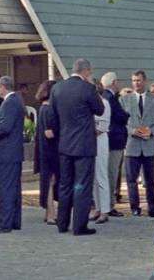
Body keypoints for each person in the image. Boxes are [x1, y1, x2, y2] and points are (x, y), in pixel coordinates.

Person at [51, 59, 105, 236]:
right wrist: (91, 88)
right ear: (87, 72)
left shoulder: (57, 88)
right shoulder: (87, 88)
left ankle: (62, 222)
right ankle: (79, 225)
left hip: (65, 143)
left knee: (65, 184)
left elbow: (52, 116)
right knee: (82, 185)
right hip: (84, 145)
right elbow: (100, 110)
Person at [121, 70, 154, 218]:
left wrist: (151, 131)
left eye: (138, 80)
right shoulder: (125, 100)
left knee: (150, 180)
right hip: (132, 145)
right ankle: (135, 207)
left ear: (144, 81)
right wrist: (131, 131)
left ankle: (152, 208)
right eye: (133, 81)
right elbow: (119, 122)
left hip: (148, 145)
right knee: (131, 179)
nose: (136, 83)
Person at [0, 76, 24, 234]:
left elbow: (5, 127)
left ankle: (4, 222)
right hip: (12, 152)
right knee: (13, 188)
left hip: (6, 152)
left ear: (3, 87)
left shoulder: (10, 103)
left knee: (5, 187)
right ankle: (13, 219)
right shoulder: (15, 101)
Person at [101, 72, 128, 214]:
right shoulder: (110, 98)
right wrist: (127, 114)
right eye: (117, 81)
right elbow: (120, 116)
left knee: (109, 173)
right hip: (114, 140)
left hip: (111, 140)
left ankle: (107, 203)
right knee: (112, 173)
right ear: (113, 82)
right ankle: (109, 204)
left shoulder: (107, 97)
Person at [34, 80, 59, 224]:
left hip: (43, 148)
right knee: (51, 181)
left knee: (47, 181)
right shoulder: (49, 109)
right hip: (51, 149)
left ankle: (48, 211)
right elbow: (50, 132)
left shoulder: (42, 108)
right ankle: (51, 213)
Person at [90, 78, 112, 225]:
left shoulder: (104, 103)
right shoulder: (90, 105)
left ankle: (105, 209)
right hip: (90, 141)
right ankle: (97, 207)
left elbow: (102, 126)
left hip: (100, 139)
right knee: (93, 178)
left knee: (101, 176)